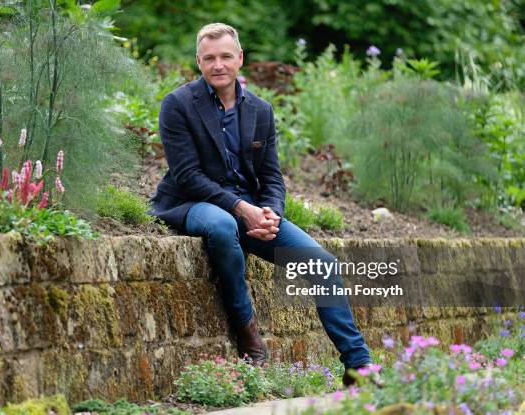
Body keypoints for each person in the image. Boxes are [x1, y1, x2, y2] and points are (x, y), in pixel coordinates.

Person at [149, 22, 373, 386]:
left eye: (225, 56)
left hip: (252, 211)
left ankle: (358, 367)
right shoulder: (177, 105)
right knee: (221, 227)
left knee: (322, 264)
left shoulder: (260, 110)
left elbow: (271, 176)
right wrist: (241, 208)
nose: (217, 65)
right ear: (199, 62)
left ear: (239, 58)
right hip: (193, 203)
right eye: (209, 58)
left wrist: (271, 213)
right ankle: (248, 337)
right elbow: (188, 176)